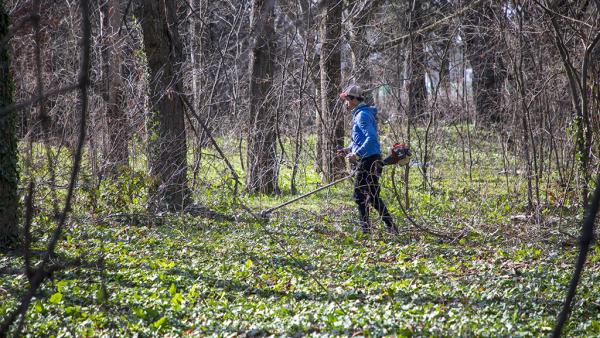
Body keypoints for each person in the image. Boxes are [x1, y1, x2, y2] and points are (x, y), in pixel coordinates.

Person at [337, 84, 398, 235]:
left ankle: (366, 231)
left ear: (354, 100)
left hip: (368, 160)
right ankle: (391, 227)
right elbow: (361, 138)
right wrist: (349, 149)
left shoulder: (362, 115)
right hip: (371, 159)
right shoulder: (360, 113)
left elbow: (371, 138)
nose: (345, 102)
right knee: (372, 197)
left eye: (347, 99)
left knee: (359, 196)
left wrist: (357, 154)